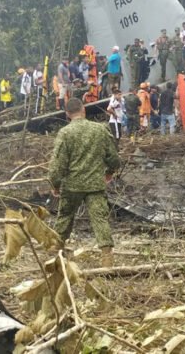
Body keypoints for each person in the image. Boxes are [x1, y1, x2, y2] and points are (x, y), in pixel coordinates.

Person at [49, 98, 121, 267]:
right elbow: (113, 157)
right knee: (100, 219)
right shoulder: (100, 130)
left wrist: (55, 184)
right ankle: (107, 258)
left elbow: (58, 164)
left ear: (67, 114)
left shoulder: (65, 133)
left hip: (72, 185)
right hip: (95, 184)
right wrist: (110, 172)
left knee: (65, 217)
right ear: (84, 110)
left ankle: (55, 251)